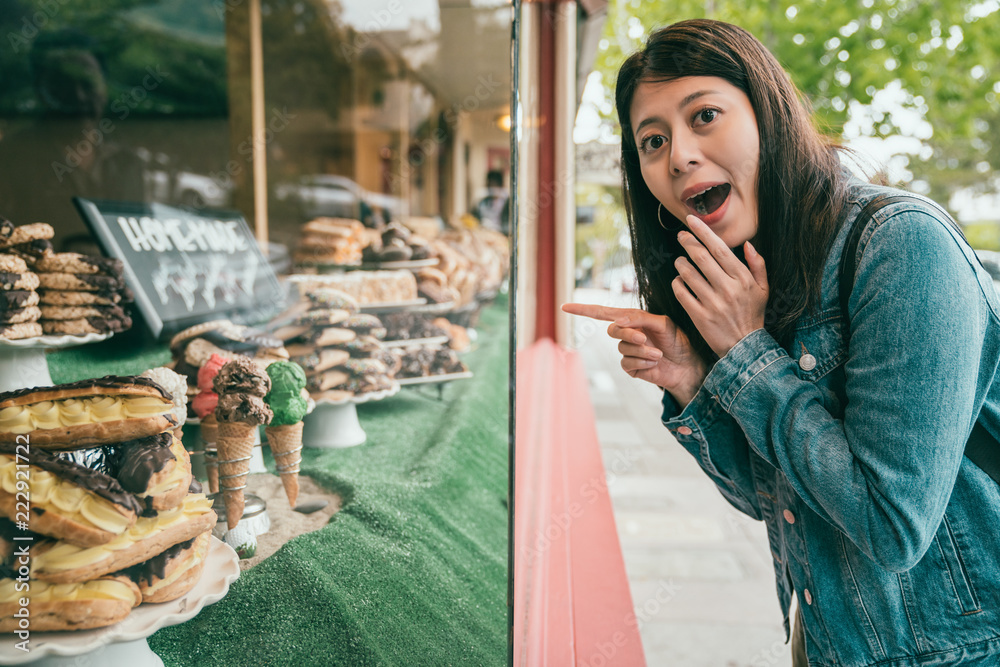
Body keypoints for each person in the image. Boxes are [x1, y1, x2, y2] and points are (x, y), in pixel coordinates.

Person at [563, 19, 1000, 667]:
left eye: (704, 115)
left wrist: (745, 355)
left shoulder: (901, 243)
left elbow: (890, 524)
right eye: (652, 141)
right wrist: (693, 379)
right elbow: (775, 498)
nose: (678, 154)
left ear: (769, 115)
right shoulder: (763, 271)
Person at [472, 169, 510, 234]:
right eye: (489, 185)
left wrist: (497, 228)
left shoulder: (508, 204)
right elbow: (475, 220)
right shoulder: (482, 203)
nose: (492, 188)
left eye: (494, 185)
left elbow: (510, 226)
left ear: (500, 185)